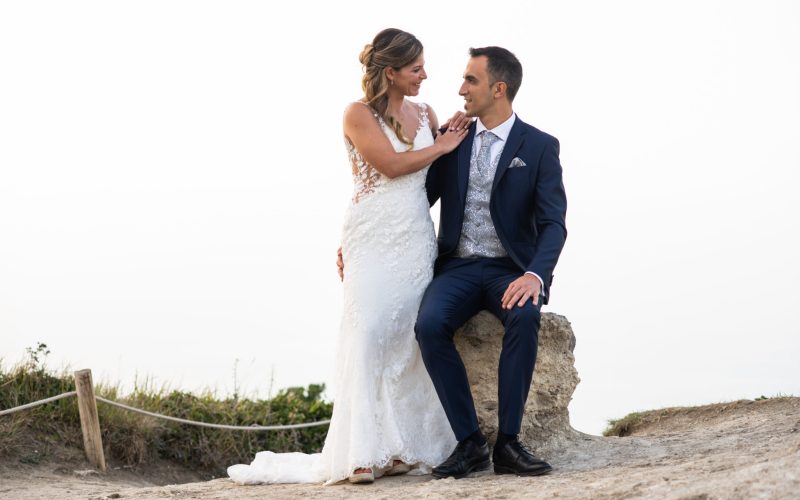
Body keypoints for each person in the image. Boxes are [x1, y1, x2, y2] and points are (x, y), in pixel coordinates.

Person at [227, 28, 469, 486]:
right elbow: (391, 166)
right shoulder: (357, 114)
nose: (425, 75)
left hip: (415, 237)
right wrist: (441, 146)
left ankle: (399, 448)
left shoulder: (426, 113)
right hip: (372, 235)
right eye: (416, 68)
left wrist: (450, 138)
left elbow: (430, 181)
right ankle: (359, 453)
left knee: (404, 338)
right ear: (391, 72)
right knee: (368, 332)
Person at [415, 46, 568, 479]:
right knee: (428, 326)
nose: (461, 89)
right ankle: (470, 444)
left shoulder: (538, 147)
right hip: (458, 268)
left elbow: (553, 223)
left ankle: (509, 443)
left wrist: (535, 275)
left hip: (510, 270)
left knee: (524, 317)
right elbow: (416, 201)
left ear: (498, 89)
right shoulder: (452, 137)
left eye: (471, 80)